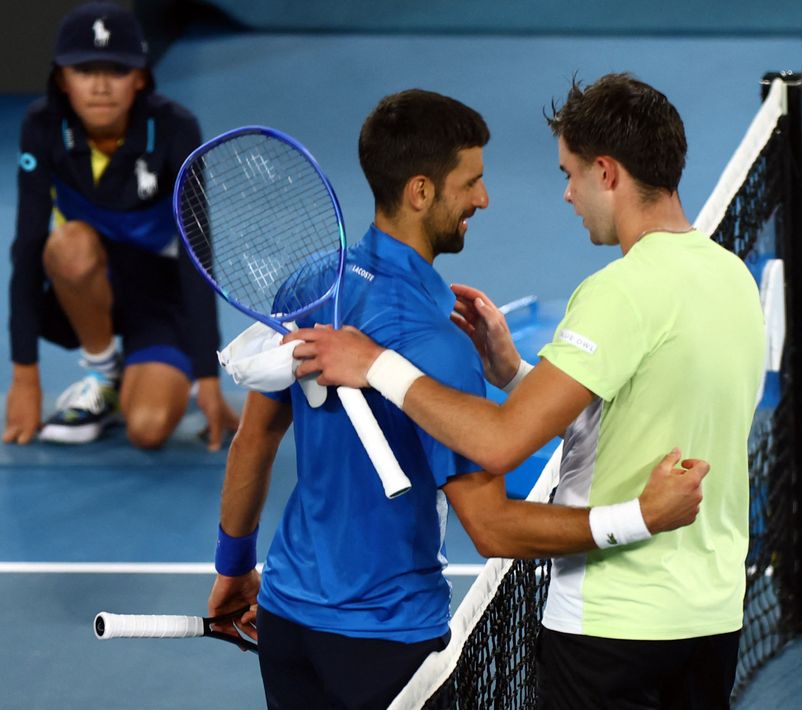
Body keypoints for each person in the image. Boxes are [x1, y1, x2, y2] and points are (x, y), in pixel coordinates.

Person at [207, 88, 709, 710]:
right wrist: (640, 519)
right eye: (470, 182)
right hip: (387, 645)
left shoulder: (309, 286)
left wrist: (233, 566)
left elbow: (254, 437)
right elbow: (492, 526)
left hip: (288, 625)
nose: (484, 199)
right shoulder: (436, 342)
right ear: (421, 191)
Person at [4, 2, 238, 450]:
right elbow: (28, 246)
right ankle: (105, 371)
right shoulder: (42, 126)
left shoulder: (176, 129)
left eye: (116, 70)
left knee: (148, 430)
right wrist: (25, 376)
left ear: (140, 78)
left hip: (161, 293)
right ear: (61, 79)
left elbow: (196, 252)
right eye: (84, 70)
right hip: (88, 286)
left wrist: (210, 375)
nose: (99, 86)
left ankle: (159, 375)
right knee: (66, 245)